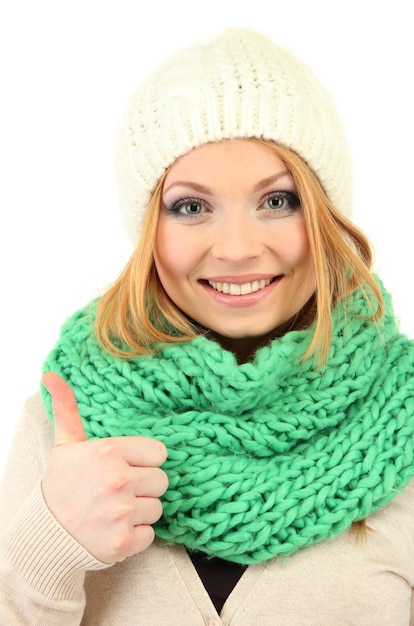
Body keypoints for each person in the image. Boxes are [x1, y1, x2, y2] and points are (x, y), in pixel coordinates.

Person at [1, 27, 414, 625]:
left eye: (278, 201)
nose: (238, 248)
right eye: (191, 207)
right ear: (150, 230)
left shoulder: (404, 415)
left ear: (324, 215)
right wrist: (46, 549)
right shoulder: (61, 428)